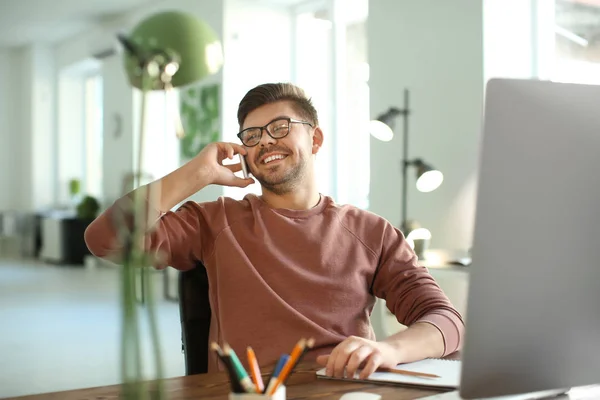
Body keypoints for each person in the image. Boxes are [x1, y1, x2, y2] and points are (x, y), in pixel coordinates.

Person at [84, 82, 464, 380]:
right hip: (252, 392)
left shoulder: (371, 231)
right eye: (251, 136)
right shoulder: (214, 221)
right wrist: (197, 173)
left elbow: (446, 320)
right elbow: (105, 240)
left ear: (314, 139)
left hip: (343, 387)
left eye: (279, 127)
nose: (264, 140)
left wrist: (388, 351)